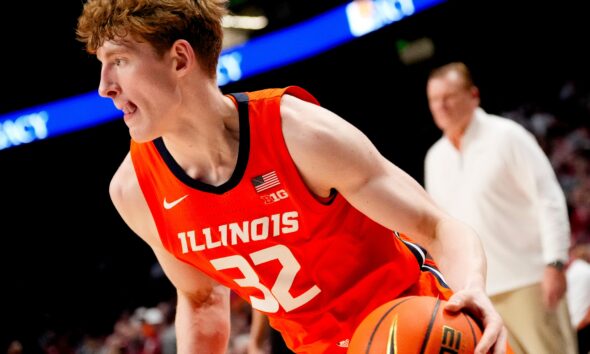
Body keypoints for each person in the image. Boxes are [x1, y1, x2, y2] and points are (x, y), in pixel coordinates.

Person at [75, 2, 509, 353]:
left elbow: (435, 225)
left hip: (419, 326)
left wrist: (472, 287)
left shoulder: (298, 133)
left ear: (180, 59)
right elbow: (201, 299)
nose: (104, 86)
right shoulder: (134, 190)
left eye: (120, 61)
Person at [424, 61, 577, 354]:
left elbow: (549, 198)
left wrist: (555, 262)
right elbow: (441, 229)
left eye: (448, 97)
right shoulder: (435, 158)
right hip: (479, 292)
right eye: (434, 100)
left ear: (473, 95)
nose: (441, 106)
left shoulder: (507, 135)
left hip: (529, 281)